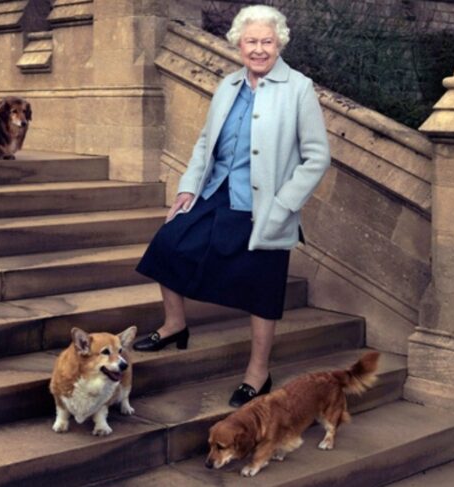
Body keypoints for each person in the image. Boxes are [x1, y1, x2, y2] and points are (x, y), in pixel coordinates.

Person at [133, 4, 331, 408]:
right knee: (168, 245)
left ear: (279, 44)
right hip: (217, 191)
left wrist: (284, 205)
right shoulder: (228, 86)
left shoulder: (299, 88)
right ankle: (174, 326)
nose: (258, 49)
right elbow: (206, 142)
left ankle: (258, 373)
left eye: (267, 42)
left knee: (262, 286)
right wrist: (188, 188)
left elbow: (317, 156)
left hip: (265, 205)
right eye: (251, 41)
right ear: (238, 43)